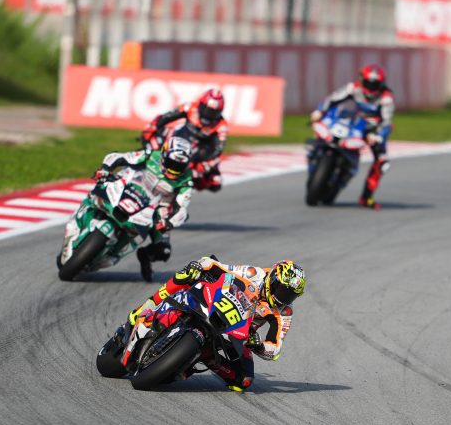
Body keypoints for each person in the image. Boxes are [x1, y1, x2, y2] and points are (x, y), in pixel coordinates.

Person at [126, 255, 307, 392]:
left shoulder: (284, 312)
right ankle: (147, 306)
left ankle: (206, 355)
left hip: (238, 332)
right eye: (282, 290)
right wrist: (200, 266)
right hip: (216, 305)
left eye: (289, 295)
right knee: (188, 274)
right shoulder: (255, 274)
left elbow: (274, 349)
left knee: (243, 381)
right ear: (273, 280)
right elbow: (217, 266)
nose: (283, 297)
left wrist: (258, 345)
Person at [94, 136, 193, 282]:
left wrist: (169, 222)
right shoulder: (151, 154)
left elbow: (182, 207)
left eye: (179, 166)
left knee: (164, 250)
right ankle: (89, 211)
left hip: (157, 207)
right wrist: (106, 169)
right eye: (172, 163)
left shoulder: (186, 180)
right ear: (164, 154)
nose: (174, 169)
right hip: (133, 187)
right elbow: (121, 157)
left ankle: (145, 256)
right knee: (101, 187)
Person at [310, 64, 395, 210]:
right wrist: (319, 111)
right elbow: (332, 99)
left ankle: (366, 197)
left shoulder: (386, 98)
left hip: (371, 128)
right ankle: (314, 157)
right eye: (369, 83)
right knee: (322, 132)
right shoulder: (353, 88)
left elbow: (386, 122)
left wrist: (377, 135)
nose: (372, 87)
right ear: (362, 79)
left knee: (382, 161)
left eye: (376, 84)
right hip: (350, 119)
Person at [141, 88, 228, 192]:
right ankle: (144, 160)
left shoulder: (221, 126)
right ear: (200, 104)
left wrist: (205, 164)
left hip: (198, 153)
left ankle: (185, 184)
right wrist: (151, 128)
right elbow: (165, 117)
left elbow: (217, 150)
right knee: (155, 138)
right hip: (177, 139)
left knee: (216, 182)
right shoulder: (190, 107)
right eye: (206, 109)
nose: (208, 114)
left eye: (213, 112)